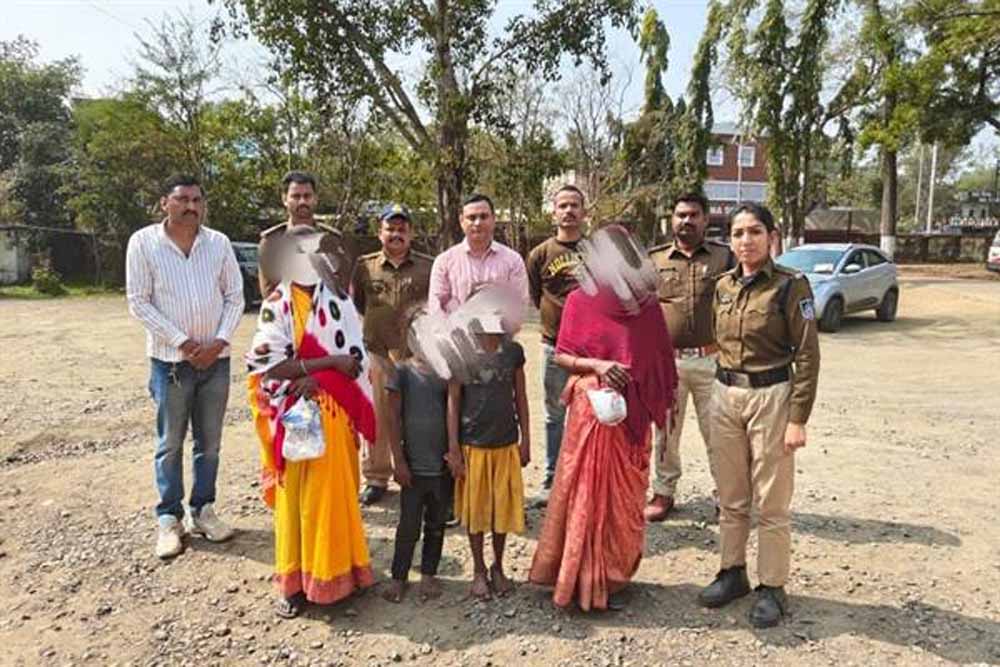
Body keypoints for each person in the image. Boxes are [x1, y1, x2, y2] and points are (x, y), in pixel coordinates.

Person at [529, 225, 677, 611]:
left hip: (633, 417)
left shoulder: (647, 306)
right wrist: (597, 365)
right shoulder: (579, 300)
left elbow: (661, 361)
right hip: (592, 413)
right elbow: (563, 355)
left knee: (624, 501)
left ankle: (613, 576)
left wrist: (658, 401)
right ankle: (578, 578)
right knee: (585, 497)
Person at [698, 203, 820, 628]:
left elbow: (807, 355)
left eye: (754, 232)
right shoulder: (723, 286)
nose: (745, 241)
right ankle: (732, 572)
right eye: (737, 233)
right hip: (725, 393)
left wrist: (797, 418)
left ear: (772, 236)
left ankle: (772, 587)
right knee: (731, 495)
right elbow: (716, 339)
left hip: (771, 396)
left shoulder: (791, 286)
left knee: (771, 500)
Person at [247, 228, 376, 618]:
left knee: (334, 497)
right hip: (295, 416)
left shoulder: (339, 302)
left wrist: (321, 375)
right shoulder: (277, 304)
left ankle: (341, 576)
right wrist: (325, 365)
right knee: (297, 502)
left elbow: (356, 359)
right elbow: (268, 365)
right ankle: (294, 584)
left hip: (335, 415)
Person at [126, 173, 244, 559]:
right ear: (165, 203)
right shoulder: (144, 242)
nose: (191, 207)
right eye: (182, 200)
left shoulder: (218, 243)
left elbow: (235, 296)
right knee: (170, 444)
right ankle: (169, 518)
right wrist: (185, 343)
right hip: (171, 363)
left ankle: (203, 510)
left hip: (216, 361)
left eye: (196, 200)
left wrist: (219, 342)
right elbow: (139, 301)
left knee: (209, 443)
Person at [645, 193, 735, 521]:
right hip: (669, 363)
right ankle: (664, 492)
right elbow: (642, 309)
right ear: (671, 219)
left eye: (694, 214)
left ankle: (726, 495)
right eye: (681, 214)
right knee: (666, 433)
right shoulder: (654, 260)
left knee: (719, 431)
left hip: (713, 360)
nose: (687, 220)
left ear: (705, 219)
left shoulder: (724, 257)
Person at [351, 204, 433, 506]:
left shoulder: (428, 267)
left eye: (402, 229)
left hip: (416, 354)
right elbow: (357, 305)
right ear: (380, 232)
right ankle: (376, 477)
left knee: (417, 416)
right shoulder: (364, 266)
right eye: (390, 228)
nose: (396, 234)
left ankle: (418, 473)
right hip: (378, 353)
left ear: (411, 233)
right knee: (378, 416)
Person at [447, 313, 530, 600]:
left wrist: (526, 440)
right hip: (473, 445)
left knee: (501, 509)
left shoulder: (513, 352)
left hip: (505, 443)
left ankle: (498, 566)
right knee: (476, 511)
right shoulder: (461, 353)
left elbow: (521, 397)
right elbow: (453, 401)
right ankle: (479, 570)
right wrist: (454, 448)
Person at [382, 304, 449, 603]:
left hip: (442, 467)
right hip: (413, 467)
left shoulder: (446, 372)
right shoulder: (402, 372)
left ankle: (429, 575)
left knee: (437, 524)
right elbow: (392, 419)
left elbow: (454, 413)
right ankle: (399, 577)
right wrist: (398, 460)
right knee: (408, 526)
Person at [526, 185, 585, 494]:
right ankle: (552, 478)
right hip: (554, 346)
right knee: (554, 415)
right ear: (554, 212)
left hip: (591, 350)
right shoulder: (540, 254)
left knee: (589, 414)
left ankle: (583, 479)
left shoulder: (597, 252)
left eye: (574, 205)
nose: (568, 211)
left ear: (584, 212)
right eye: (563, 205)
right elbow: (536, 295)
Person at [428, 193, 529, 317]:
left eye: (483, 216)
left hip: (500, 329)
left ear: (493, 219)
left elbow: (519, 306)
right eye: (471, 217)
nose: (477, 223)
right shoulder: (444, 262)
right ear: (461, 221)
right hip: (455, 329)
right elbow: (437, 309)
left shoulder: (513, 261)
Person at [258, 170, 344, 298]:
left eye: (307, 196)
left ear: (316, 199)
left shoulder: (331, 240)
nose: (302, 202)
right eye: (296, 196)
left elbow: (341, 289)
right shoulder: (271, 243)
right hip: (286, 308)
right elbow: (269, 293)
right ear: (284, 199)